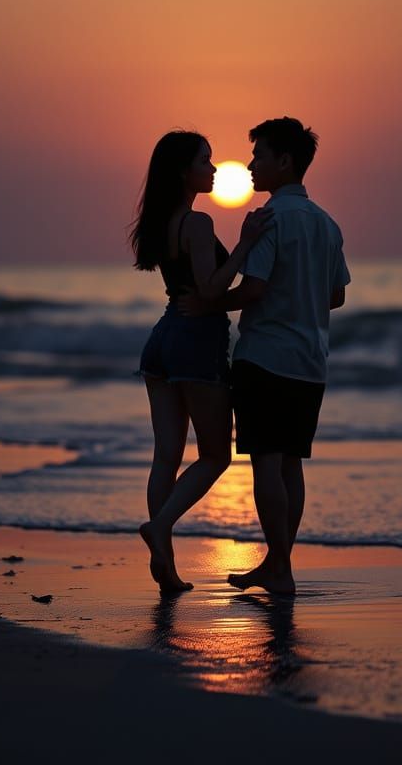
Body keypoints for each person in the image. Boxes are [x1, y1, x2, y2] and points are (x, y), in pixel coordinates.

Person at [184, 117, 349, 595]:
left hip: (266, 357)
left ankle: (279, 567)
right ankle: (280, 563)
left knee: (266, 463)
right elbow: (335, 296)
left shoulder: (270, 219)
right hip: (311, 361)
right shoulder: (327, 223)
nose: (251, 165)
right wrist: (300, 299)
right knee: (290, 464)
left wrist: (210, 303)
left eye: (258, 156)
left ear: (285, 162)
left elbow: (253, 289)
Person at [131, 130, 272, 593]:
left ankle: (166, 569)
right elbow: (210, 290)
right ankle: (161, 527)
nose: (213, 169)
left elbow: (194, 291)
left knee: (166, 456)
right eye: (205, 161)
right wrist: (247, 245)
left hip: (163, 340)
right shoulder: (197, 223)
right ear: (182, 171)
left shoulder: (161, 222)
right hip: (196, 343)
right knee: (215, 455)